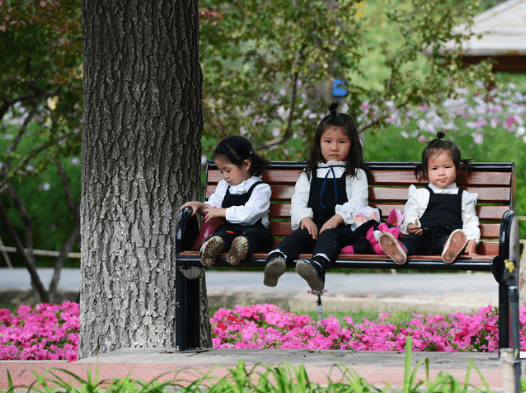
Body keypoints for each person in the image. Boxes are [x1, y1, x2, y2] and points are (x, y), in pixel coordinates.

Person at [264, 102, 372, 291]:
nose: (334, 148)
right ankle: (276, 261)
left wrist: (337, 219)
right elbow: (298, 199)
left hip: (341, 229)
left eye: (341, 142)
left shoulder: (356, 174)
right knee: (298, 236)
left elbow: (359, 201)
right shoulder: (310, 173)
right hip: (313, 225)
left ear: (352, 144)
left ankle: (317, 269)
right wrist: (304, 218)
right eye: (328, 141)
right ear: (319, 143)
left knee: (328, 236)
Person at [379, 132, 480, 265]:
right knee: (412, 240)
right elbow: (410, 214)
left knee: (449, 241)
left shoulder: (465, 197)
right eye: (434, 168)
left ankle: (450, 250)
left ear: (458, 168)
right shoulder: (419, 194)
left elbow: (471, 222)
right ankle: (400, 250)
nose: (441, 173)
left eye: (447, 167)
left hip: (447, 236)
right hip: (423, 235)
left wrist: (472, 242)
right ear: (426, 172)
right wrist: (410, 226)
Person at [180, 136, 274, 266]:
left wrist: (221, 212)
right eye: (221, 171)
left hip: (254, 229)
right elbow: (213, 209)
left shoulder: (261, 188)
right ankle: (214, 244)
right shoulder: (224, 186)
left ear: (245, 165)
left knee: (254, 236)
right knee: (224, 233)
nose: (224, 176)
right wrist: (200, 206)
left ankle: (241, 246)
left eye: (228, 170)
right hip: (230, 230)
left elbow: (249, 215)